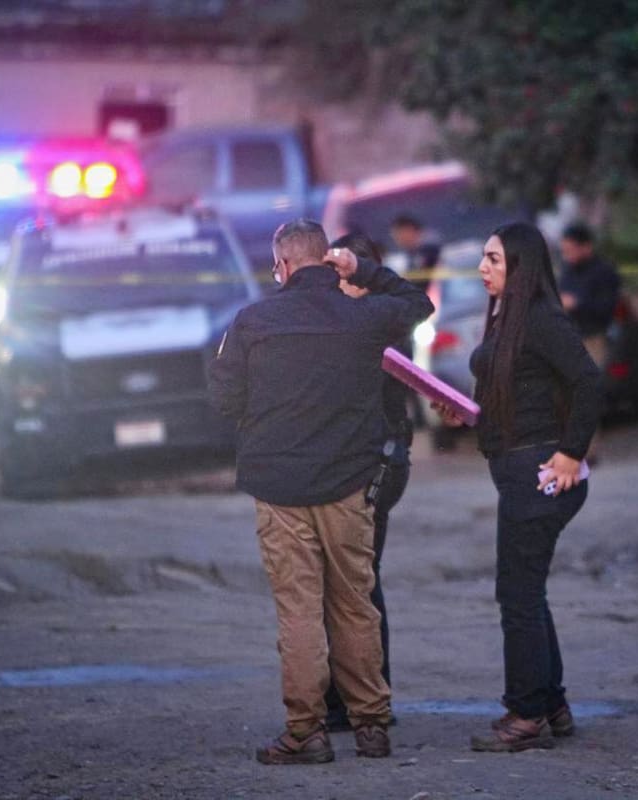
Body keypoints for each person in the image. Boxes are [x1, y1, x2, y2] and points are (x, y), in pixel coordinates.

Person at [208, 219, 433, 765]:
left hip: (279, 485)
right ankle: (372, 727)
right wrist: (366, 271)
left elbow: (223, 399)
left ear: (280, 266)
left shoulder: (252, 322)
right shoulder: (364, 316)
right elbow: (419, 303)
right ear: (330, 261)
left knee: (299, 610)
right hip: (349, 485)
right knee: (355, 604)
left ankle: (306, 732)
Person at [435, 222, 602, 752]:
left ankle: (526, 715)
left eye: (494, 260)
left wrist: (573, 451)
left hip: (540, 474)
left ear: (522, 267)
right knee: (527, 592)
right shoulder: (509, 318)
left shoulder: (540, 319)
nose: (483, 268)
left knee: (518, 595)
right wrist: (466, 415)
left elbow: (588, 381)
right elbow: (518, 395)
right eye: (483, 258)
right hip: (516, 467)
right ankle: (550, 703)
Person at [321, 232, 413, 732]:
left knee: (357, 582)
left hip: (378, 462)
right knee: (347, 582)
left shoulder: (383, 319)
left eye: (343, 271)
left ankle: (365, 700)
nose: (336, 281)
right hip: (350, 461)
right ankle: (355, 698)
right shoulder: (340, 317)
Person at [557, 222, 621, 370]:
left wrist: (576, 304)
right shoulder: (568, 271)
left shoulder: (604, 272)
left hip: (594, 339)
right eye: (564, 251)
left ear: (586, 247)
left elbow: (607, 308)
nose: (567, 255)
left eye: (570, 250)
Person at [390, 214, 441, 290]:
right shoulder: (405, 257)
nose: (397, 239)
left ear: (409, 230)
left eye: (398, 234)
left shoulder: (432, 251)